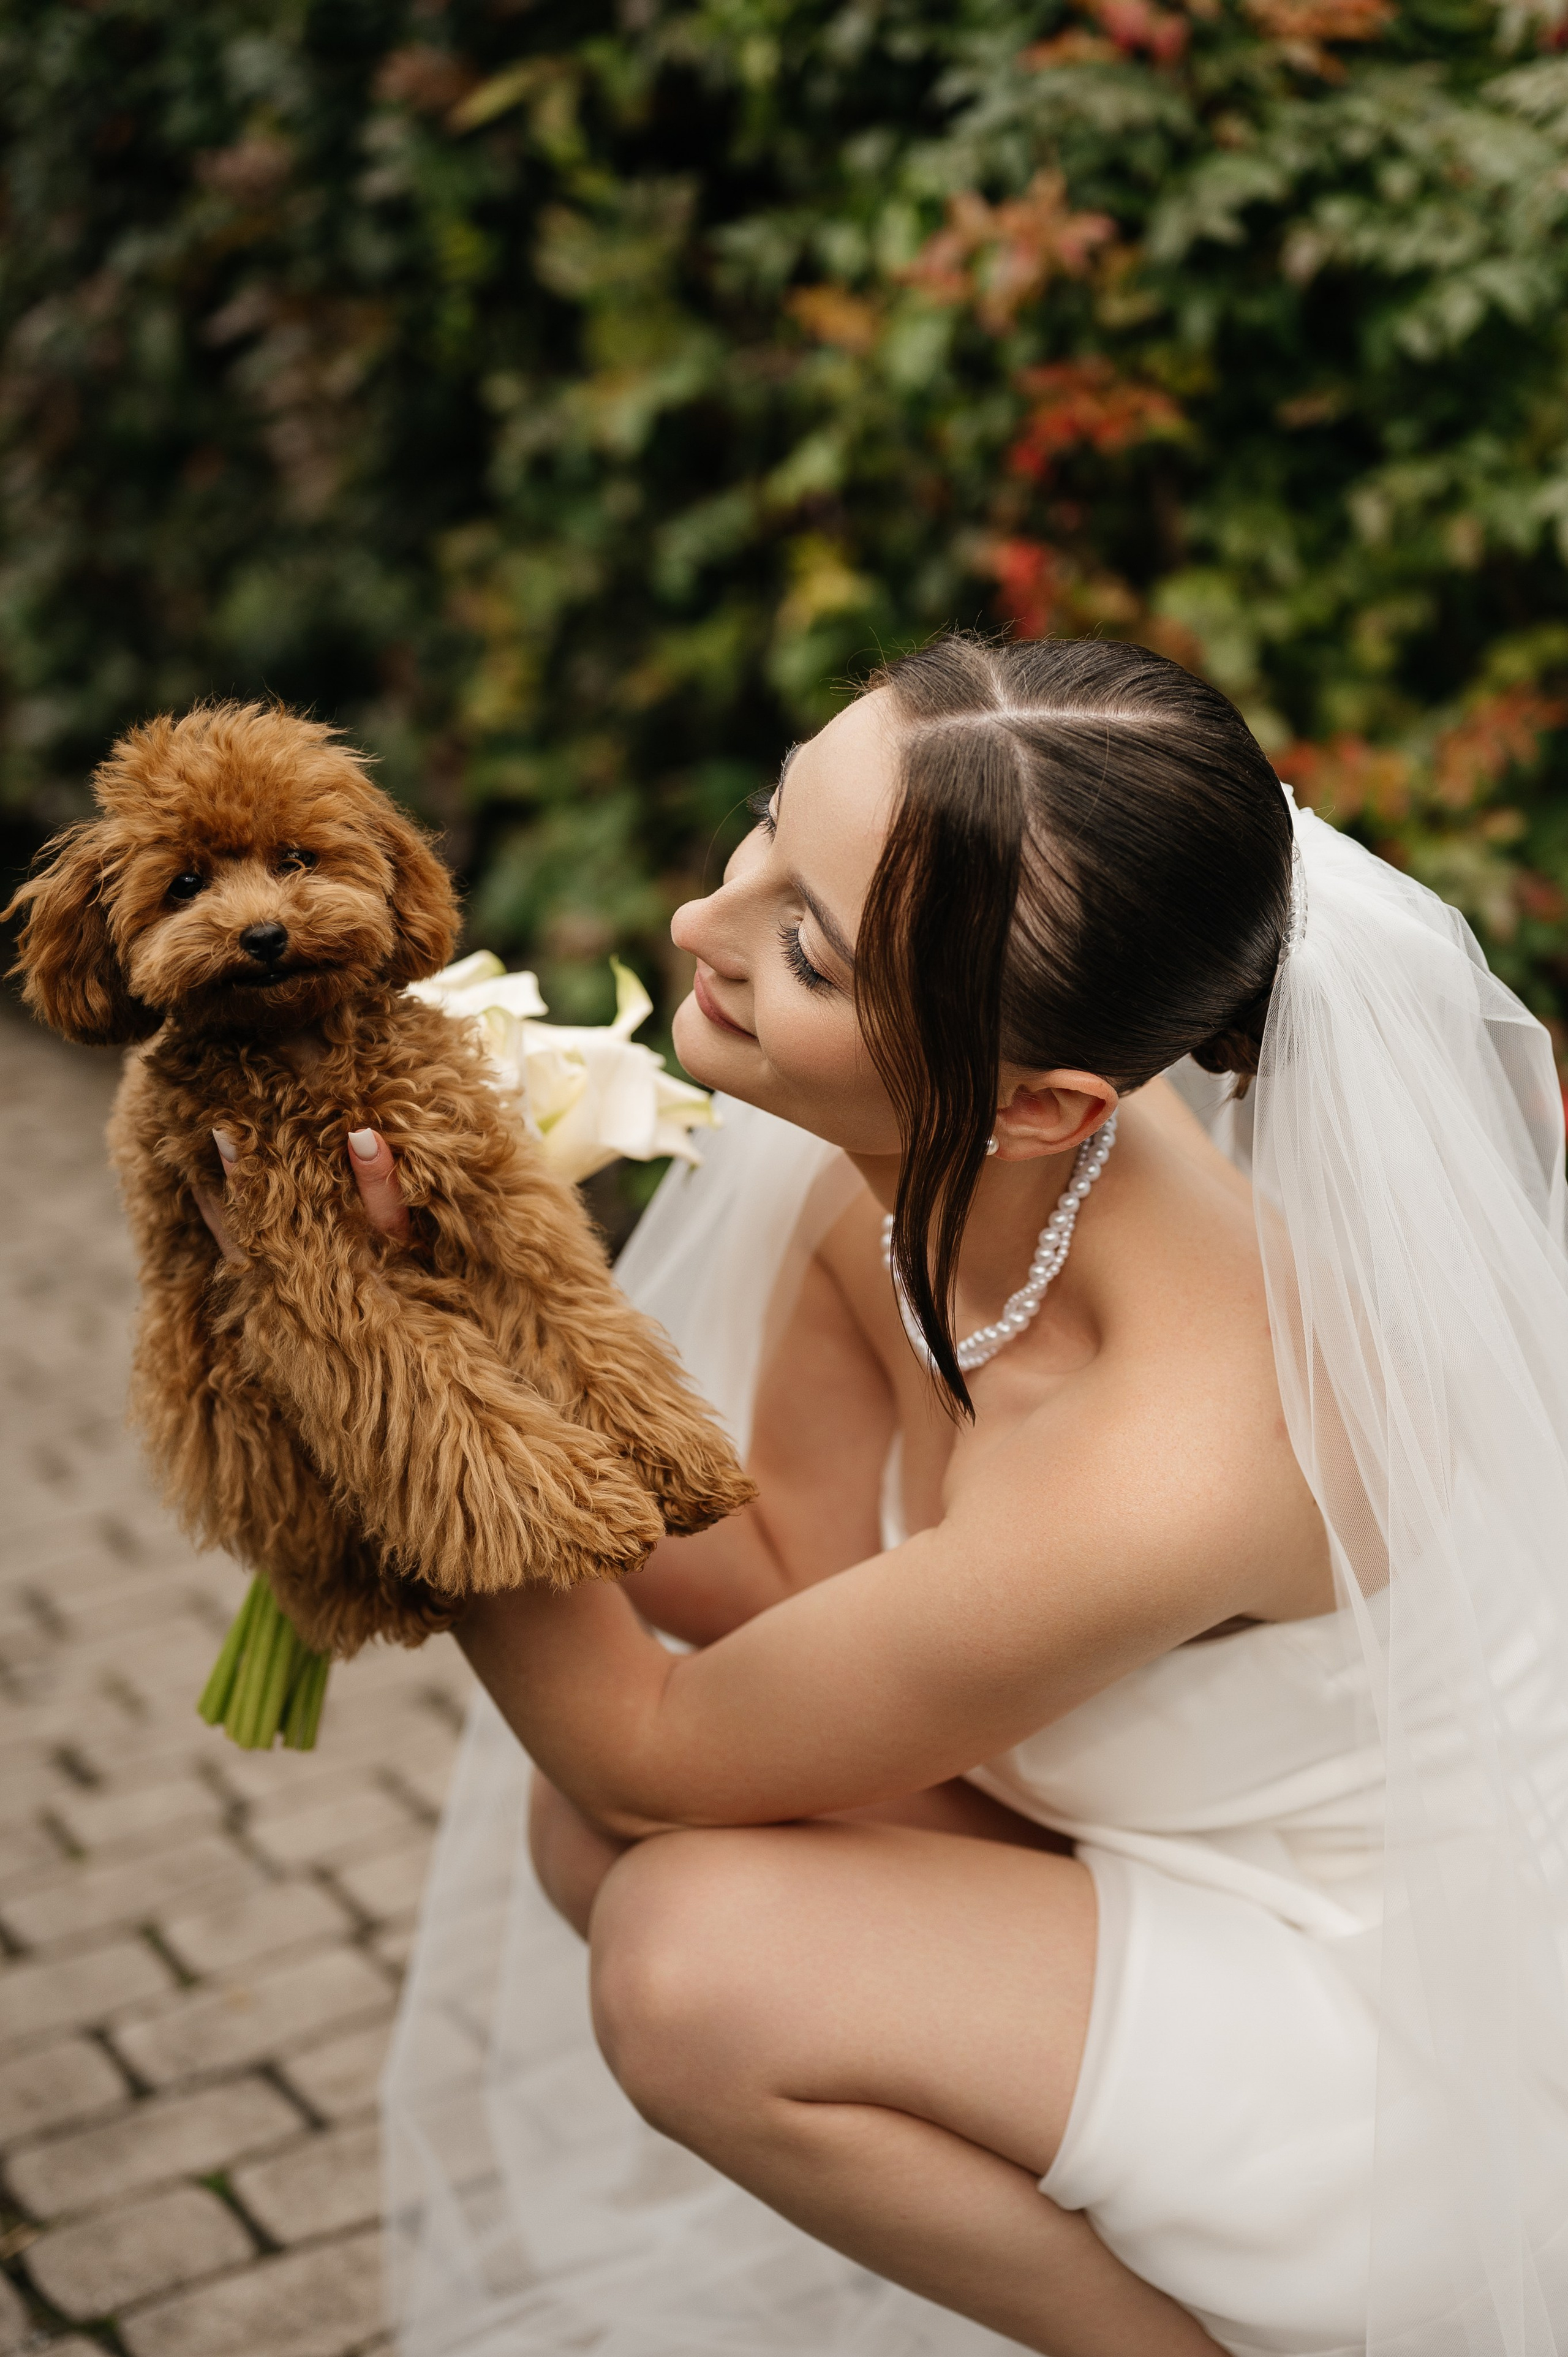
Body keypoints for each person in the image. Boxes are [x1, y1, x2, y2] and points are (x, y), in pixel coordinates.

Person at [206, 636, 1568, 2355]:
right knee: (606, 1842)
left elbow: (641, 1739)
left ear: (1043, 1103)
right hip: (1159, 1854)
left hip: (1391, 2005)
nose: (699, 925)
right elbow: (783, 1557)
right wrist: (464, 1294)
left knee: (691, 1956)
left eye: (804, 947)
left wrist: (385, 1362)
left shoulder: (1174, 1456)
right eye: (766, 827)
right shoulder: (918, 1154)